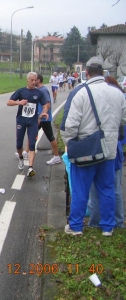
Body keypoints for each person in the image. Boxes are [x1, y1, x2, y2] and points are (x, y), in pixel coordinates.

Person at [60, 57, 126, 236]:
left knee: (81, 190)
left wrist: (69, 142)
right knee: (107, 189)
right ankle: (107, 227)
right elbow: (123, 119)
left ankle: (75, 226)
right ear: (104, 72)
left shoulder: (82, 93)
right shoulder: (118, 94)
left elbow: (71, 124)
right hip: (109, 150)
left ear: (87, 72)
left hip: (86, 150)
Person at [88, 76, 125, 229]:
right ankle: (117, 222)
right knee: (113, 187)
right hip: (114, 148)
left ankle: (97, 222)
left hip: (101, 148)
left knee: (98, 188)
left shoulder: (102, 102)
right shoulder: (119, 98)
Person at [7, 72, 48, 178]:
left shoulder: (38, 93)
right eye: (32, 80)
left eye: (35, 80)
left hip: (33, 122)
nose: (34, 82)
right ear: (27, 80)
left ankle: (30, 168)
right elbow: (9, 102)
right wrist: (19, 103)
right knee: (19, 144)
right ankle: (21, 157)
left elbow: (46, 105)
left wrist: (44, 112)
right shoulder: (21, 91)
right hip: (21, 121)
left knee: (32, 144)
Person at [35, 73, 62, 165]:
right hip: (40, 118)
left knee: (50, 137)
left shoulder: (43, 90)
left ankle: (57, 157)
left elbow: (48, 105)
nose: (33, 81)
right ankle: (26, 152)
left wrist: (41, 116)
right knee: (32, 135)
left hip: (44, 119)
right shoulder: (39, 90)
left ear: (38, 80)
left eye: (35, 79)